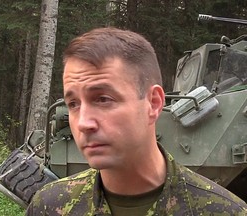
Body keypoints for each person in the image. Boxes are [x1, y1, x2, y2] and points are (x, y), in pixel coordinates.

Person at [26, 27, 247, 215]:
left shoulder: (224, 211)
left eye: (103, 99)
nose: (83, 123)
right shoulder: (49, 205)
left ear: (153, 103)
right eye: (73, 103)